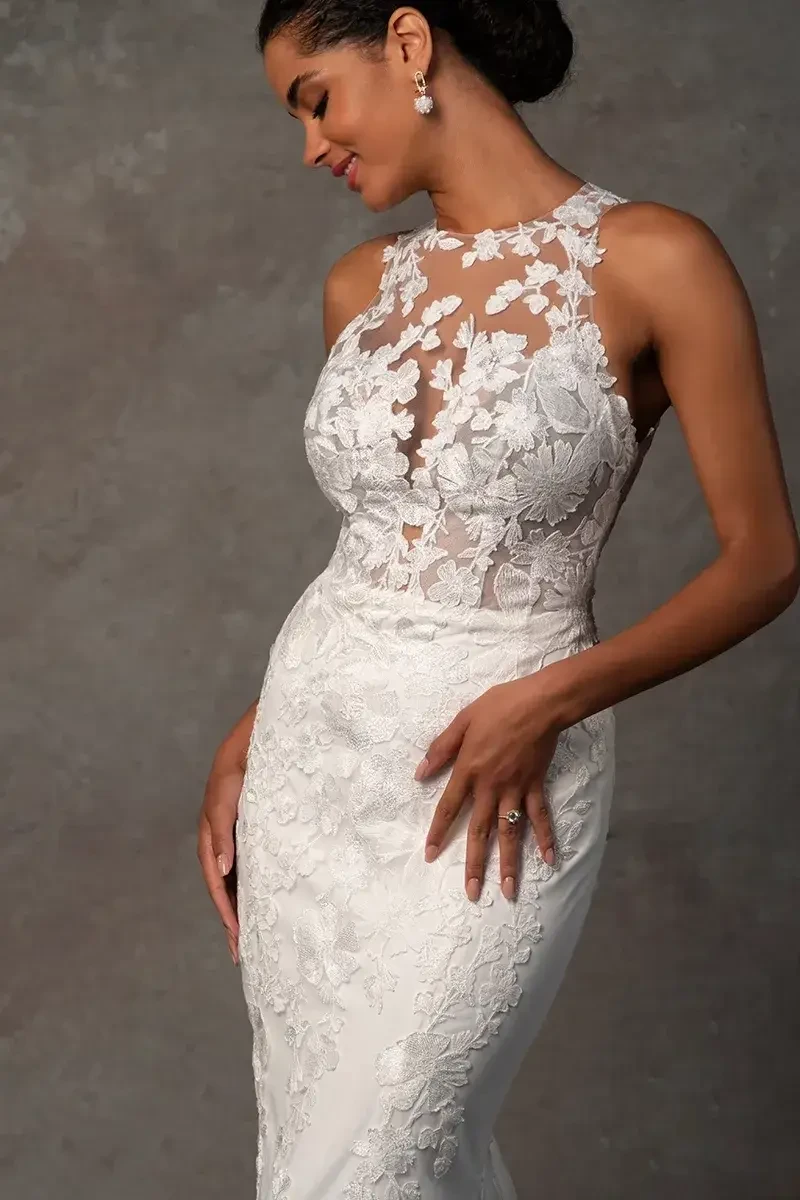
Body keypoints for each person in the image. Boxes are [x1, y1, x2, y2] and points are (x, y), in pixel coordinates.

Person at [197, 3, 799, 1196]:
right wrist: (246, 743)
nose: (307, 146)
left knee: (384, 1154)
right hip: (312, 760)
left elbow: (765, 558)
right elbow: (379, 555)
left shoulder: (652, 258)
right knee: (321, 1153)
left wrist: (551, 698)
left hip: (495, 776)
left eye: (314, 98)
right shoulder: (359, 285)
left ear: (408, 44)